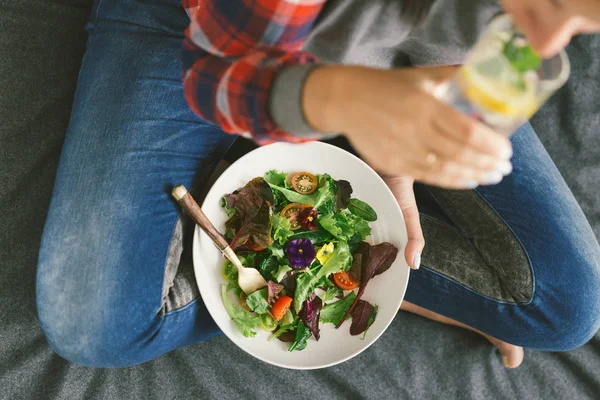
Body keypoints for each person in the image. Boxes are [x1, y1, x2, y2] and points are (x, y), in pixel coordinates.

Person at [36, 0, 600, 369]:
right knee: (95, 326)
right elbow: (220, 77)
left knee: (566, 308)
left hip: (378, 51)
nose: (548, 43)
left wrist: (400, 154)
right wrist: (348, 101)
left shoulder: (535, 29)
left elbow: (448, 34)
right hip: (201, 37)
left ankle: (374, 278)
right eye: (551, 5)